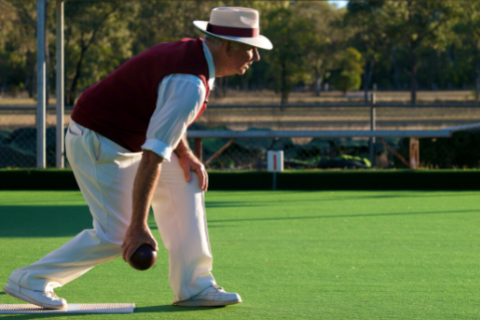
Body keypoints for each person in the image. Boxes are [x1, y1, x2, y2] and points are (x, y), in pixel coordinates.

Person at [3, 7, 272, 309]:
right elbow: (153, 156)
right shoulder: (190, 82)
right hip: (98, 140)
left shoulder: (198, 60)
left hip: (129, 138)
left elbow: (164, 116)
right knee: (117, 235)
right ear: (228, 46)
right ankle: (30, 279)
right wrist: (139, 225)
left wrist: (184, 153)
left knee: (187, 179)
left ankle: (194, 285)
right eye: (251, 49)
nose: (256, 57)